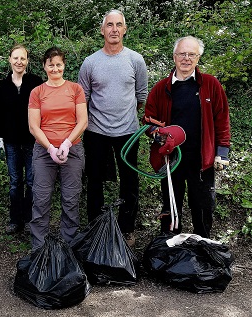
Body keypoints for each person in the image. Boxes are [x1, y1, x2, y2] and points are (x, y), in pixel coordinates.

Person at [144, 36, 231, 238]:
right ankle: (170, 250)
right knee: (171, 206)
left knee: (202, 206)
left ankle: (203, 245)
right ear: (174, 57)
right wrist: (157, 135)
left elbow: (222, 119)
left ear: (198, 58)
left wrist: (222, 152)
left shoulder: (210, 84)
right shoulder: (161, 88)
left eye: (191, 54)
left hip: (202, 159)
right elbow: (148, 120)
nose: (186, 58)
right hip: (171, 159)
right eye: (182, 54)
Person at [78, 9, 148, 247]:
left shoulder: (136, 60)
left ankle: (127, 229)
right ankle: (96, 228)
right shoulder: (90, 63)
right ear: (102, 30)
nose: (114, 29)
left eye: (119, 25)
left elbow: (141, 96)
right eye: (110, 25)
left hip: (128, 133)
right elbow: (82, 99)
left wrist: (125, 116)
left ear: (125, 29)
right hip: (96, 132)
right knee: (95, 180)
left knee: (129, 180)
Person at [28, 47, 88, 250]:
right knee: (41, 199)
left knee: (71, 200)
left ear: (64, 65)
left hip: (73, 150)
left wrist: (66, 143)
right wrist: (51, 148)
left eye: (59, 64)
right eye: (51, 64)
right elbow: (33, 126)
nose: (55, 68)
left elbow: (83, 121)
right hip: (44, 153)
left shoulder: (75, 89)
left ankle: (68, 248)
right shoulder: (37, 92)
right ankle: (40, 249)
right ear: (44, 66)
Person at [0, 44, 43, 234]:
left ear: (27, 61)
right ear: (10, 60)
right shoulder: (3, 86)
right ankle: (15, 220)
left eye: (22, 58)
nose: (19, 62)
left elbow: (43, 110)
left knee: (31, 181)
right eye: (15, 58)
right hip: (11, 142)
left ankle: (30, 220)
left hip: (32, 141)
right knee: (15, 182)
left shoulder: (36, 83)